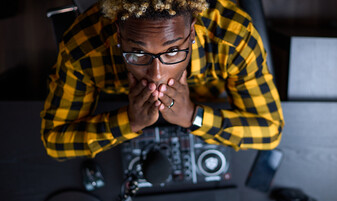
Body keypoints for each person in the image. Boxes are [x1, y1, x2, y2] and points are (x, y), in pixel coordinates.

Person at [40, 0, 284, 160]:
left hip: (210, 103)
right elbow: (54, 140)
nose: (156, 74)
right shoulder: (82, 46)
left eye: (172, 51)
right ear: (118, 33)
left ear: (192, 33)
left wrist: (192, 116)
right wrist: (129, 121)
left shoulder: (234, 37)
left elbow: (270, 130)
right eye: (137, 52)